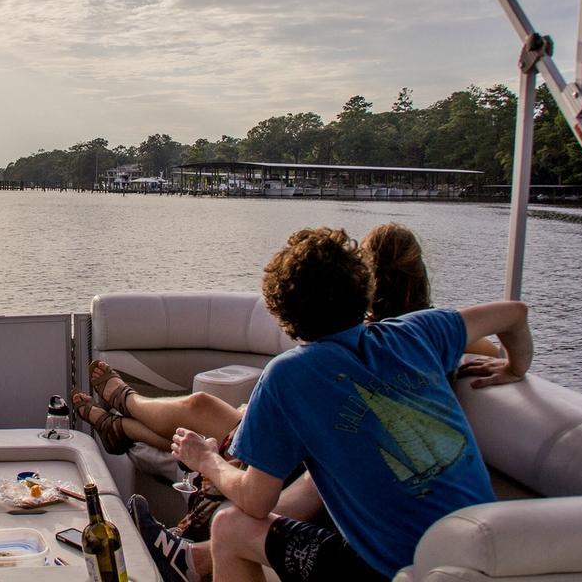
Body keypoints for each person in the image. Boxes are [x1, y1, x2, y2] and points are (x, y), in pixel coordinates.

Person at [160, 227, 530, 581]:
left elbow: (256, 502)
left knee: (229, 526)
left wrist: (204, 458)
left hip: (401, 570)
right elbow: (515, 314)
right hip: (486, 555)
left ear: (282, 313)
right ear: (363, 289)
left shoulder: (287, 376)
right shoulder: (420, 331)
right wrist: (514, 367)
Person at [72, 222, 497, 454]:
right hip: (321, 434)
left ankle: (123, 405)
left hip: (313, 444)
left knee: (201, 409)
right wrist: (506, 362)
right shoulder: (430, 333)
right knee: (204, 425)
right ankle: (118, 424)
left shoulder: (365, 334)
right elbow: (496, 334)